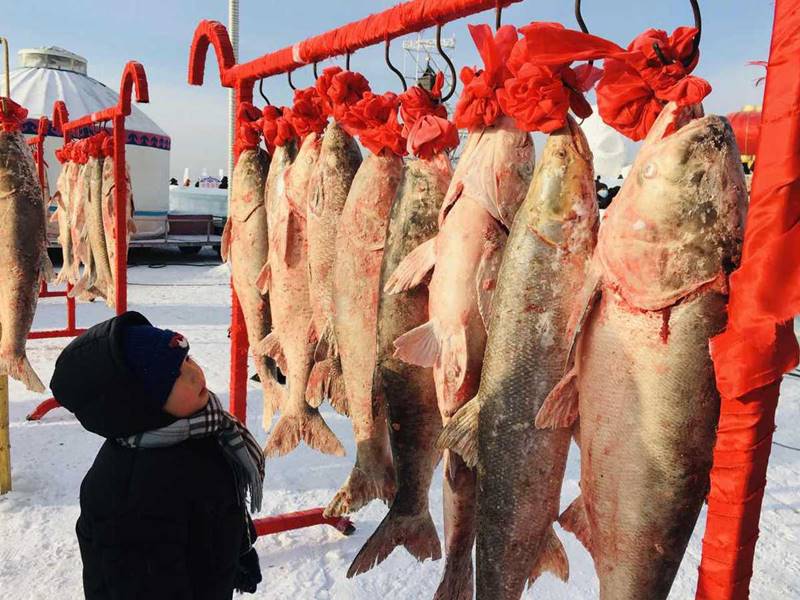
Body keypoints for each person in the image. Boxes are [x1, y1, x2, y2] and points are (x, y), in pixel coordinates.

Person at [50, 311, 264, 599]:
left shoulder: (201, 431)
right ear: (143, 406)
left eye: (186, 359)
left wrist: (239, 551)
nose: (194, 374)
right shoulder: (132, 496)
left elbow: (221, 505)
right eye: (173, 377)